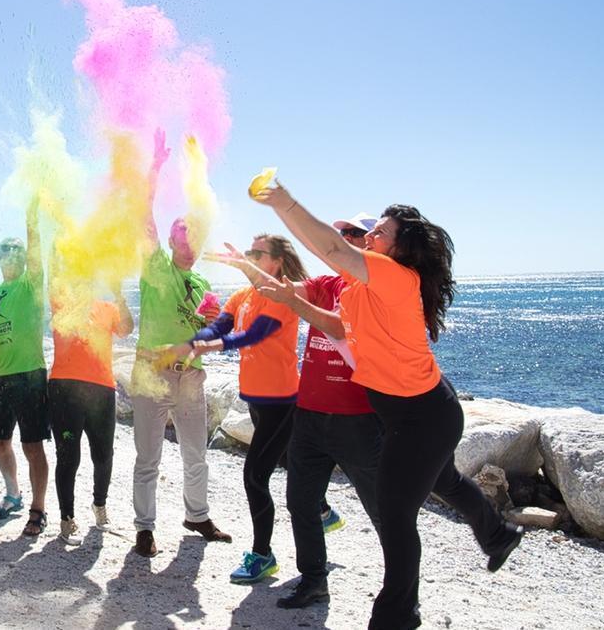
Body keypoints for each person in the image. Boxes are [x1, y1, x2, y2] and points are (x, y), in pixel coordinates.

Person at [254, 183, 523, 630]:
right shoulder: (364, 289)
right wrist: (288, 298)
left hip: (422, 418)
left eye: (380, 232)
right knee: (447, 481)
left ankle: (396, 616)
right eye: (372, 231)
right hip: (415, 412)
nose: (369, 237)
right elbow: (337, 323)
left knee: (396, 513)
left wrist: (283, 201)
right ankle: (498, 535)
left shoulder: (395, 277)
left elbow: (330, 247)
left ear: (400, 248)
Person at [209, 213, 385, 609]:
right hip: (309, 410)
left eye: (354, 234)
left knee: (383, 509)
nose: (343, 240)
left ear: (371, 243)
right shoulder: (324, 284)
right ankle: (313, 580)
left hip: (356, 417)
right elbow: (275, 293)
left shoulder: (377, 288)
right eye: (340, 234)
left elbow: (340, 327)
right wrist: (248, 269)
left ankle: (402, 593)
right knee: (300, 500)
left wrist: (283, 296)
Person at [182, 234, 318, 584]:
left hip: (281, 400)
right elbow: (222, 325)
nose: (249, 256)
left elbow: (255, 334)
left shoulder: (283, 296)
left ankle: (263, 555)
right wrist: (197, 338)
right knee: (287, 461)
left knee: (255, 477)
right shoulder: (242, 295)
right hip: (255, 398)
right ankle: (323, 508)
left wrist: (215, 345)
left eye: (258, 253)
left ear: (276, 262)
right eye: (249, 251)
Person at [130, 130, 230, 558]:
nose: (189, 246)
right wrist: (154, 167)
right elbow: (142, 214)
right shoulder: (156, 267)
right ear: (170, 242)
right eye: (182, 238)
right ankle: (144, 528)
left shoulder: (203, 282)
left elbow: (213, 334)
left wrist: (216, 325)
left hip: (190, 377)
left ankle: (197, 514)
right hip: (151, 373)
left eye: (195, 239)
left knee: (197, 454)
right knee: (148, 458)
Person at [47, 271, 134, 545]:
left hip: (101, 391)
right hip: (65, 392)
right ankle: (67, 519)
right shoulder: (61, 304)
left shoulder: (107, 308)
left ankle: (100, 507)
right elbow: (53, 270)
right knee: (68, 455)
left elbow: (126, 329)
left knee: (103, 454)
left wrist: (120, 295)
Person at [0, 198, 52, 538]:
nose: (12, 255)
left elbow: (36, 250)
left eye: (18, 251)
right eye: (6, 251)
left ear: (25, 260)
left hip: (29, 375)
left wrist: (31, 217)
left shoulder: (30, 283)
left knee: (32, 445)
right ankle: (13, 494)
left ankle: (38, 509)